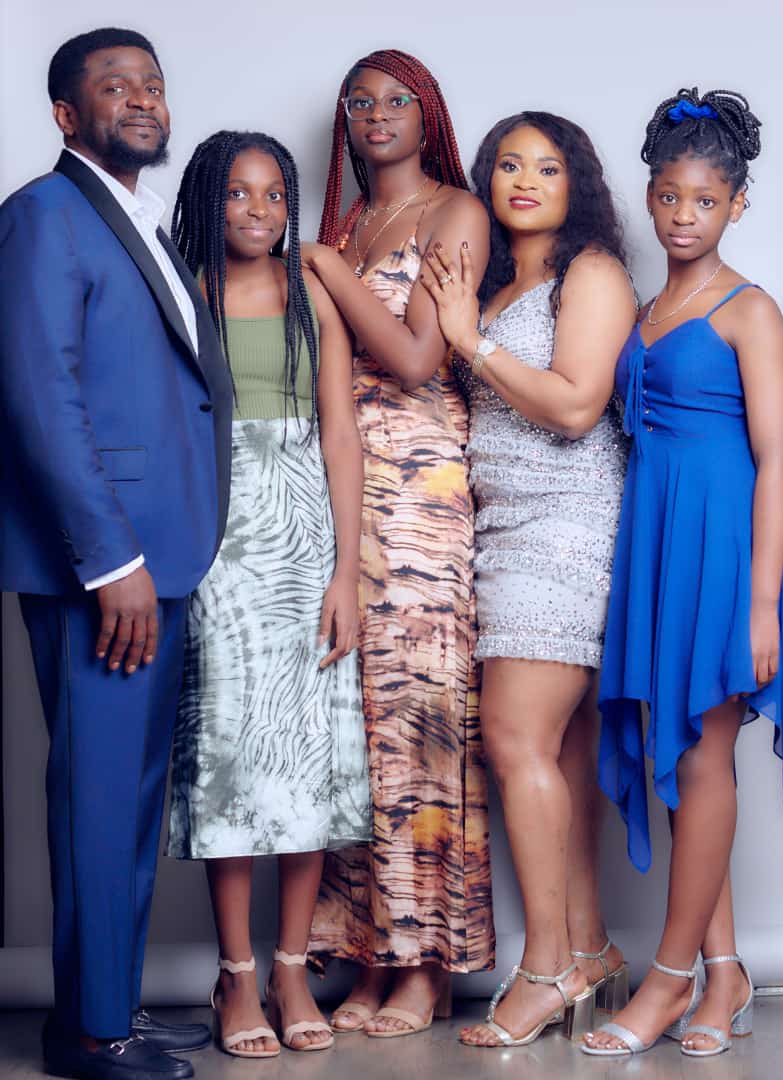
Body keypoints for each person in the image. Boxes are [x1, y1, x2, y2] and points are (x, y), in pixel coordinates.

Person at [0, 28, 232, 1080]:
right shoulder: (43, 217)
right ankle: (96, 1037)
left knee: (129, 797)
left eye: (153, 84)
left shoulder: (136, 219)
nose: (141, 99)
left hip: (156, 558)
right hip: (104, 568)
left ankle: (105, 1010)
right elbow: (38, 396)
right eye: (113, 86)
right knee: (98, 797)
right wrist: (109, 562)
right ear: (65, 113)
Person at [579, 87, 783, 1059]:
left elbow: (778, 461)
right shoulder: (645, 310)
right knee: (679, 747)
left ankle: (668, 979)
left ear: (737, 205)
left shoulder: (750, 310)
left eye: (706, 201)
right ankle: (725, 974)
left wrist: (764, 601)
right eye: (669, 198)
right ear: (650, 196)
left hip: (726, 546)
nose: (684, 217)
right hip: (657, 539)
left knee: (703, 754)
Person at [421, 110, 634, 1048]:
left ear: (575, 182)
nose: (524, 181)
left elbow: (579, 406)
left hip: (567, 523)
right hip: (499, 529)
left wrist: (471, 342)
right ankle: (589, 949)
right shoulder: (498, 281)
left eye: (547, 167)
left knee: (513, 737)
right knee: (561, 750)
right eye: (508, 165)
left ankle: (545, 970)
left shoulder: (593, 272)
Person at [299, 49, 493, 1036]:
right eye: (359, 102)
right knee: (359, 728)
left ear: (429, 115)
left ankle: (429, 965)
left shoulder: (455, 212)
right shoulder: (344, 225)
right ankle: (371, 954)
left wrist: (327, 269)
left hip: (421, 489)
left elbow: (420, 357)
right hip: (342, 487)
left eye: (396, 100)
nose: (375, 115)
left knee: (422, 715)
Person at [166, 131, 370, 1058]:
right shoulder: (186, 292)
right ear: (208, 199)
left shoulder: (311, 294)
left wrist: (345, 572)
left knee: (306, 756)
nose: (259, 211)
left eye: (276, 194)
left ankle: (292, 969)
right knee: (232, 758)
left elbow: (340, 436)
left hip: (305, 536)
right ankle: (236, 976)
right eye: (239, 193)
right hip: (215, 538)